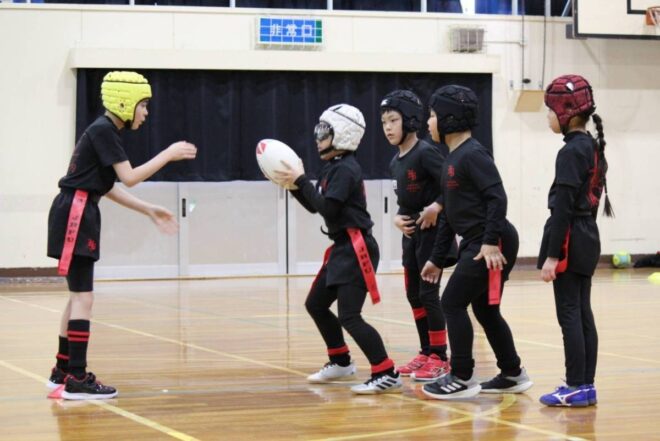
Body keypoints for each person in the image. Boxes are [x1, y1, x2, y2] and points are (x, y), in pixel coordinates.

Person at [46, 71, 197, 400]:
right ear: (126, 103)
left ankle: (62, 370)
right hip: (77, 213)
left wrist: (148, 209)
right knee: (83, 298)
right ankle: (77, 378)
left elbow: (107, 186)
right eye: (143, 105)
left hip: (76, 209)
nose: (146, 113)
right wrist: (168, 153)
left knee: (77, 296)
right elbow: (129, 177)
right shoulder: (104, 130)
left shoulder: (102, 131)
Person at [276, 104, 402, 395]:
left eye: (324, 131)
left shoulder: (346, 168)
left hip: (356, 248)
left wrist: (301, 181)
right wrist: (293, 186)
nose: (318, 137)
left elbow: (329, 209)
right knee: (316, 304)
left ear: (343, 134)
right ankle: (341, 361)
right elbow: (315, 206)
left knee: (350, 316)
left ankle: (386, 372)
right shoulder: (333, 166)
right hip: (342, 248)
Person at [420, 85, 532, 400]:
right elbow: (448, 215)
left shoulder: (473, 154)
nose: (428, 122)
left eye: (432, 115)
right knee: (485, 310)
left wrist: (490, 242)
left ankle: (462, 376)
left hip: (491, 242)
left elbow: (498, 197)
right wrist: (436, 259)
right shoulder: (451, 160)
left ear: (449, 118)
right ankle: (512, 373)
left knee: (451, 302)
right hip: (479, 241)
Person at [538, 74, 612, 407]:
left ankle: (574, 385)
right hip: (588, 236)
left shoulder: (570, 152)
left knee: (569, 314)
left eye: (550, 111)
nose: (548, 117)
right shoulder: (592, 146)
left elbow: (563, 207)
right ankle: (586, 385)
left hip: (570, 237)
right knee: (582, 313)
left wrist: (553, 255)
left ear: (566, 113)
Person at [380, 90, 452, 381]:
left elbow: (452, 185)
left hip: (433, 235)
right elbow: (404, 200)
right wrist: (397, 218)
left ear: (409, 120)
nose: (387, 127)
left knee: (428, 294)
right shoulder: (395, 162)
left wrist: (437, 206)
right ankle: (426, 351)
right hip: (411, 238)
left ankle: (440, 356)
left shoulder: (426, 152)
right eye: (384, 122)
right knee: (413, 294)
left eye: (393, 120)